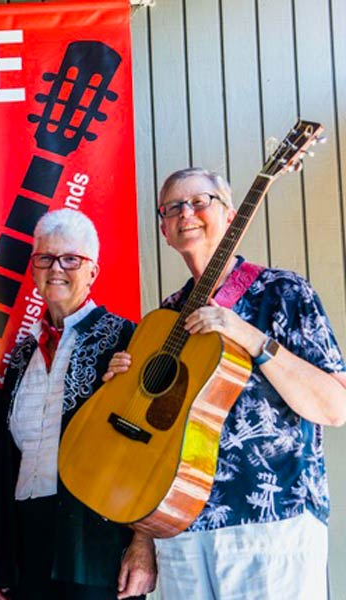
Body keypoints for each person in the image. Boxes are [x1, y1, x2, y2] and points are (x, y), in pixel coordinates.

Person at [105, 167, 346, 599]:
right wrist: (142, 540)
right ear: (163, 229)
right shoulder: (165, 317)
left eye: (200, 202)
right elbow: (152, 440)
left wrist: (251, 337)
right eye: (173, 207)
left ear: (232, 215)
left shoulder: (284, 293)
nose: (187, 213)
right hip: (179, 530)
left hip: (271, 524)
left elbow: (335, 406)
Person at [0, 209, 156, 600]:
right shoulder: (22, 353)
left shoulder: (127, 339)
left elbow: (149, 451)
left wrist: (143, 542)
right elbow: (6, 459)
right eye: (45, 258)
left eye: (71, 259)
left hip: (97, 544)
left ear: (93, 271)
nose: (56, 268)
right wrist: (1, 557)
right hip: (29, 540)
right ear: (33, 269)